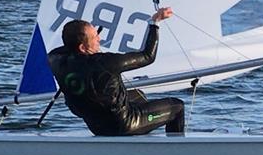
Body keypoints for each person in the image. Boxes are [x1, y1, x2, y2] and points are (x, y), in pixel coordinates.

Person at [48, 7, 185, 136]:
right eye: (95, 37)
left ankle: (142, 141)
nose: (99, 39)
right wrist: (155, 22)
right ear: (83, 47)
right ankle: (176, 152)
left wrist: (78, 41)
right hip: (125, 124)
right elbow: (148, 56)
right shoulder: (106, 62)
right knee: (177, 106)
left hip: (96, 126)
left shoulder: (55, 60)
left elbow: (67, 48)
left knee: (138, 95)